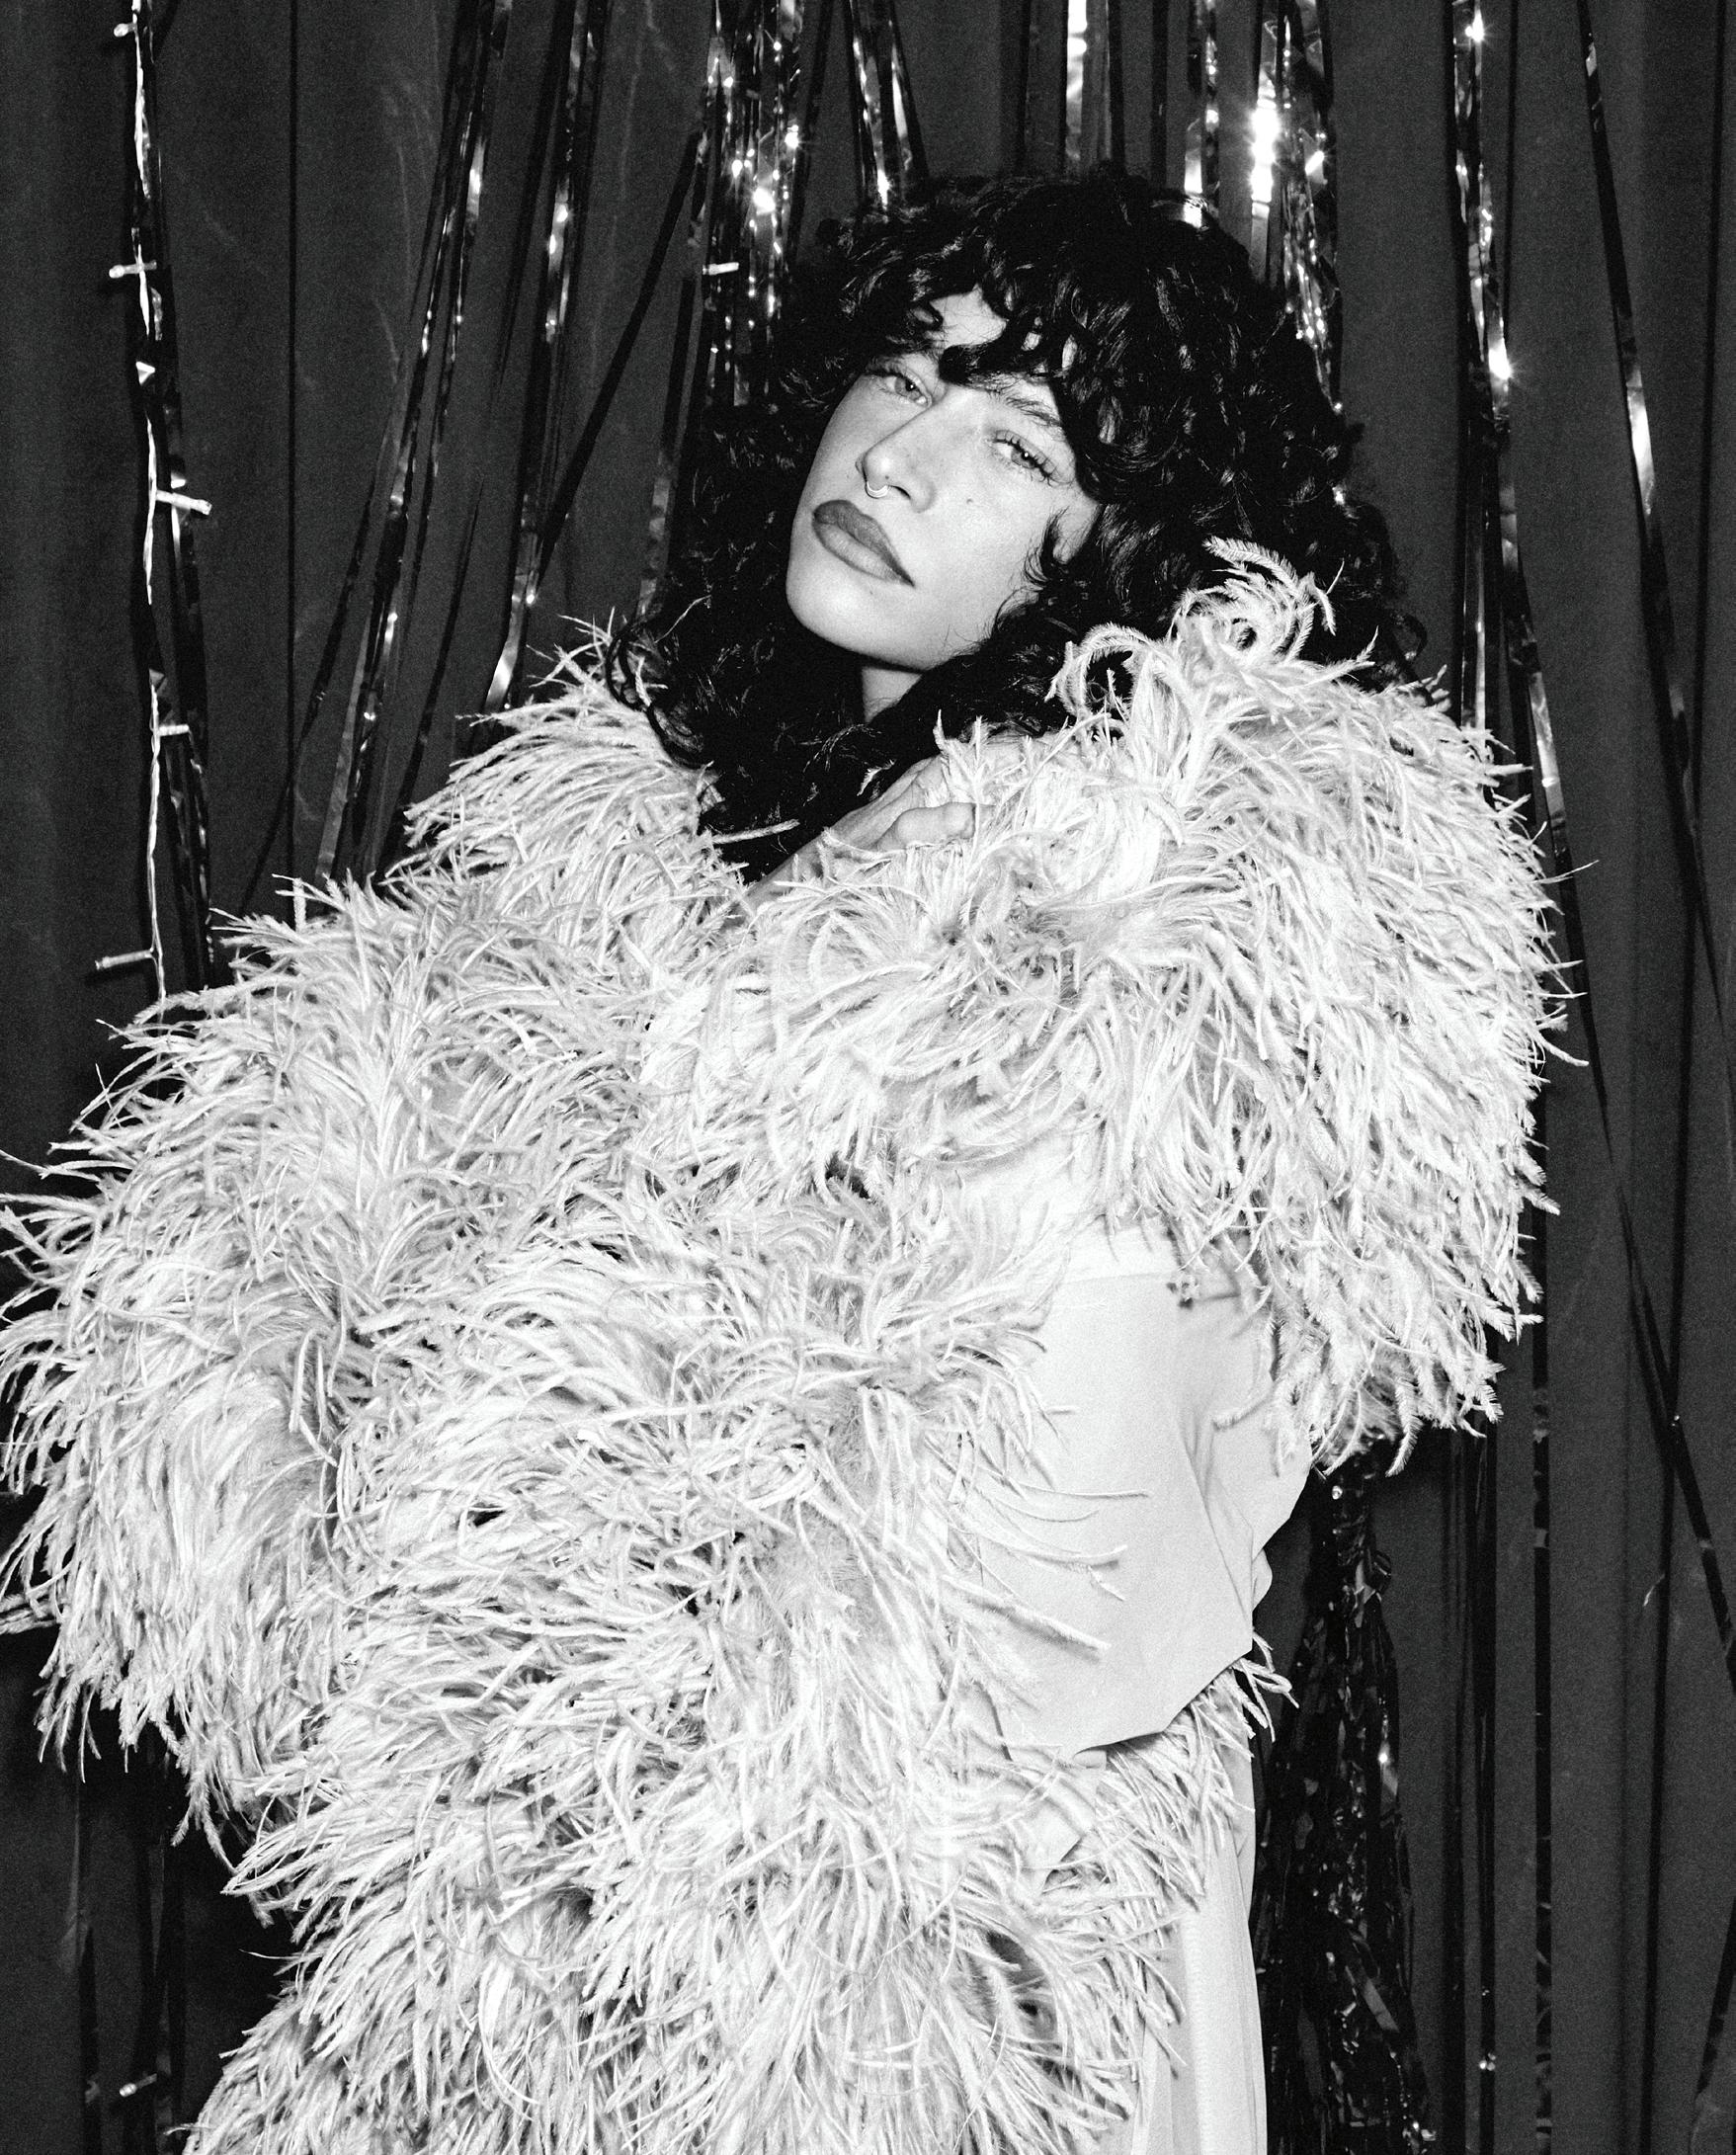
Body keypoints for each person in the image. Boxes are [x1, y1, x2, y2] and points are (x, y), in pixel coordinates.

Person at [1, 171, 1550, 2155]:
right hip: (530, 1948)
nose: (900, 453)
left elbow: (1061, 1561)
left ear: (1140, 548)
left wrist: (591, 1613)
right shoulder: (636, 871)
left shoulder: (1144, 934)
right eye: (901, 371)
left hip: (908, 1973)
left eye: (1017, 444)